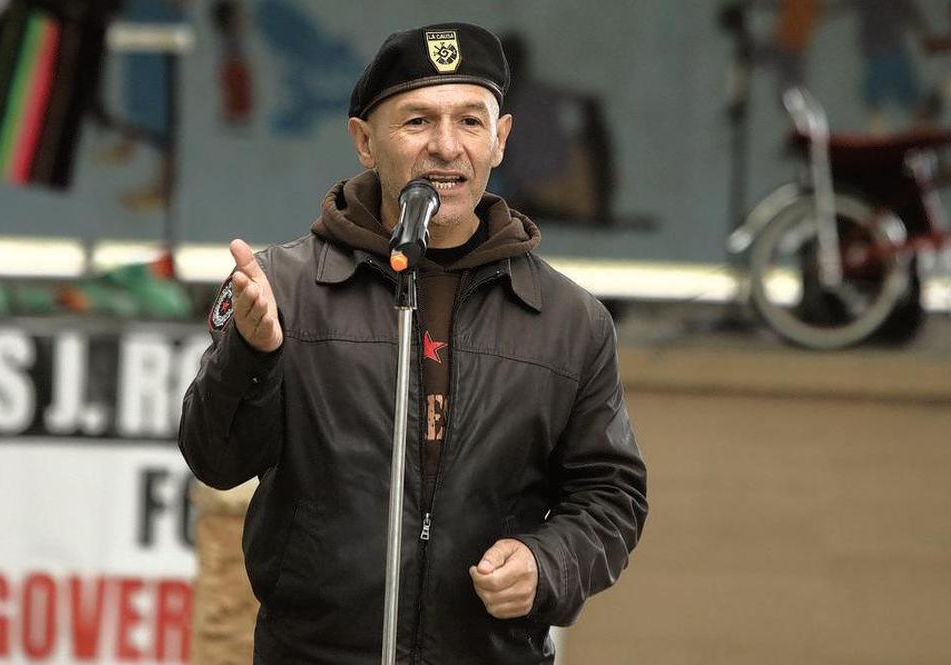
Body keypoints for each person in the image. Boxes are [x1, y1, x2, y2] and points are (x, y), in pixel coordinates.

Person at [179, 22, 648, 664]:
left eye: (471, 122)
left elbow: (610, 494)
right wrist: (251, 355)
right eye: (418, 122)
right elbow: (215, 458)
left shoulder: (570, 320)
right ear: (364, 142)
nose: (447, 148)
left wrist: (549, 564)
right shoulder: (284, 287)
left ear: (501, 139)